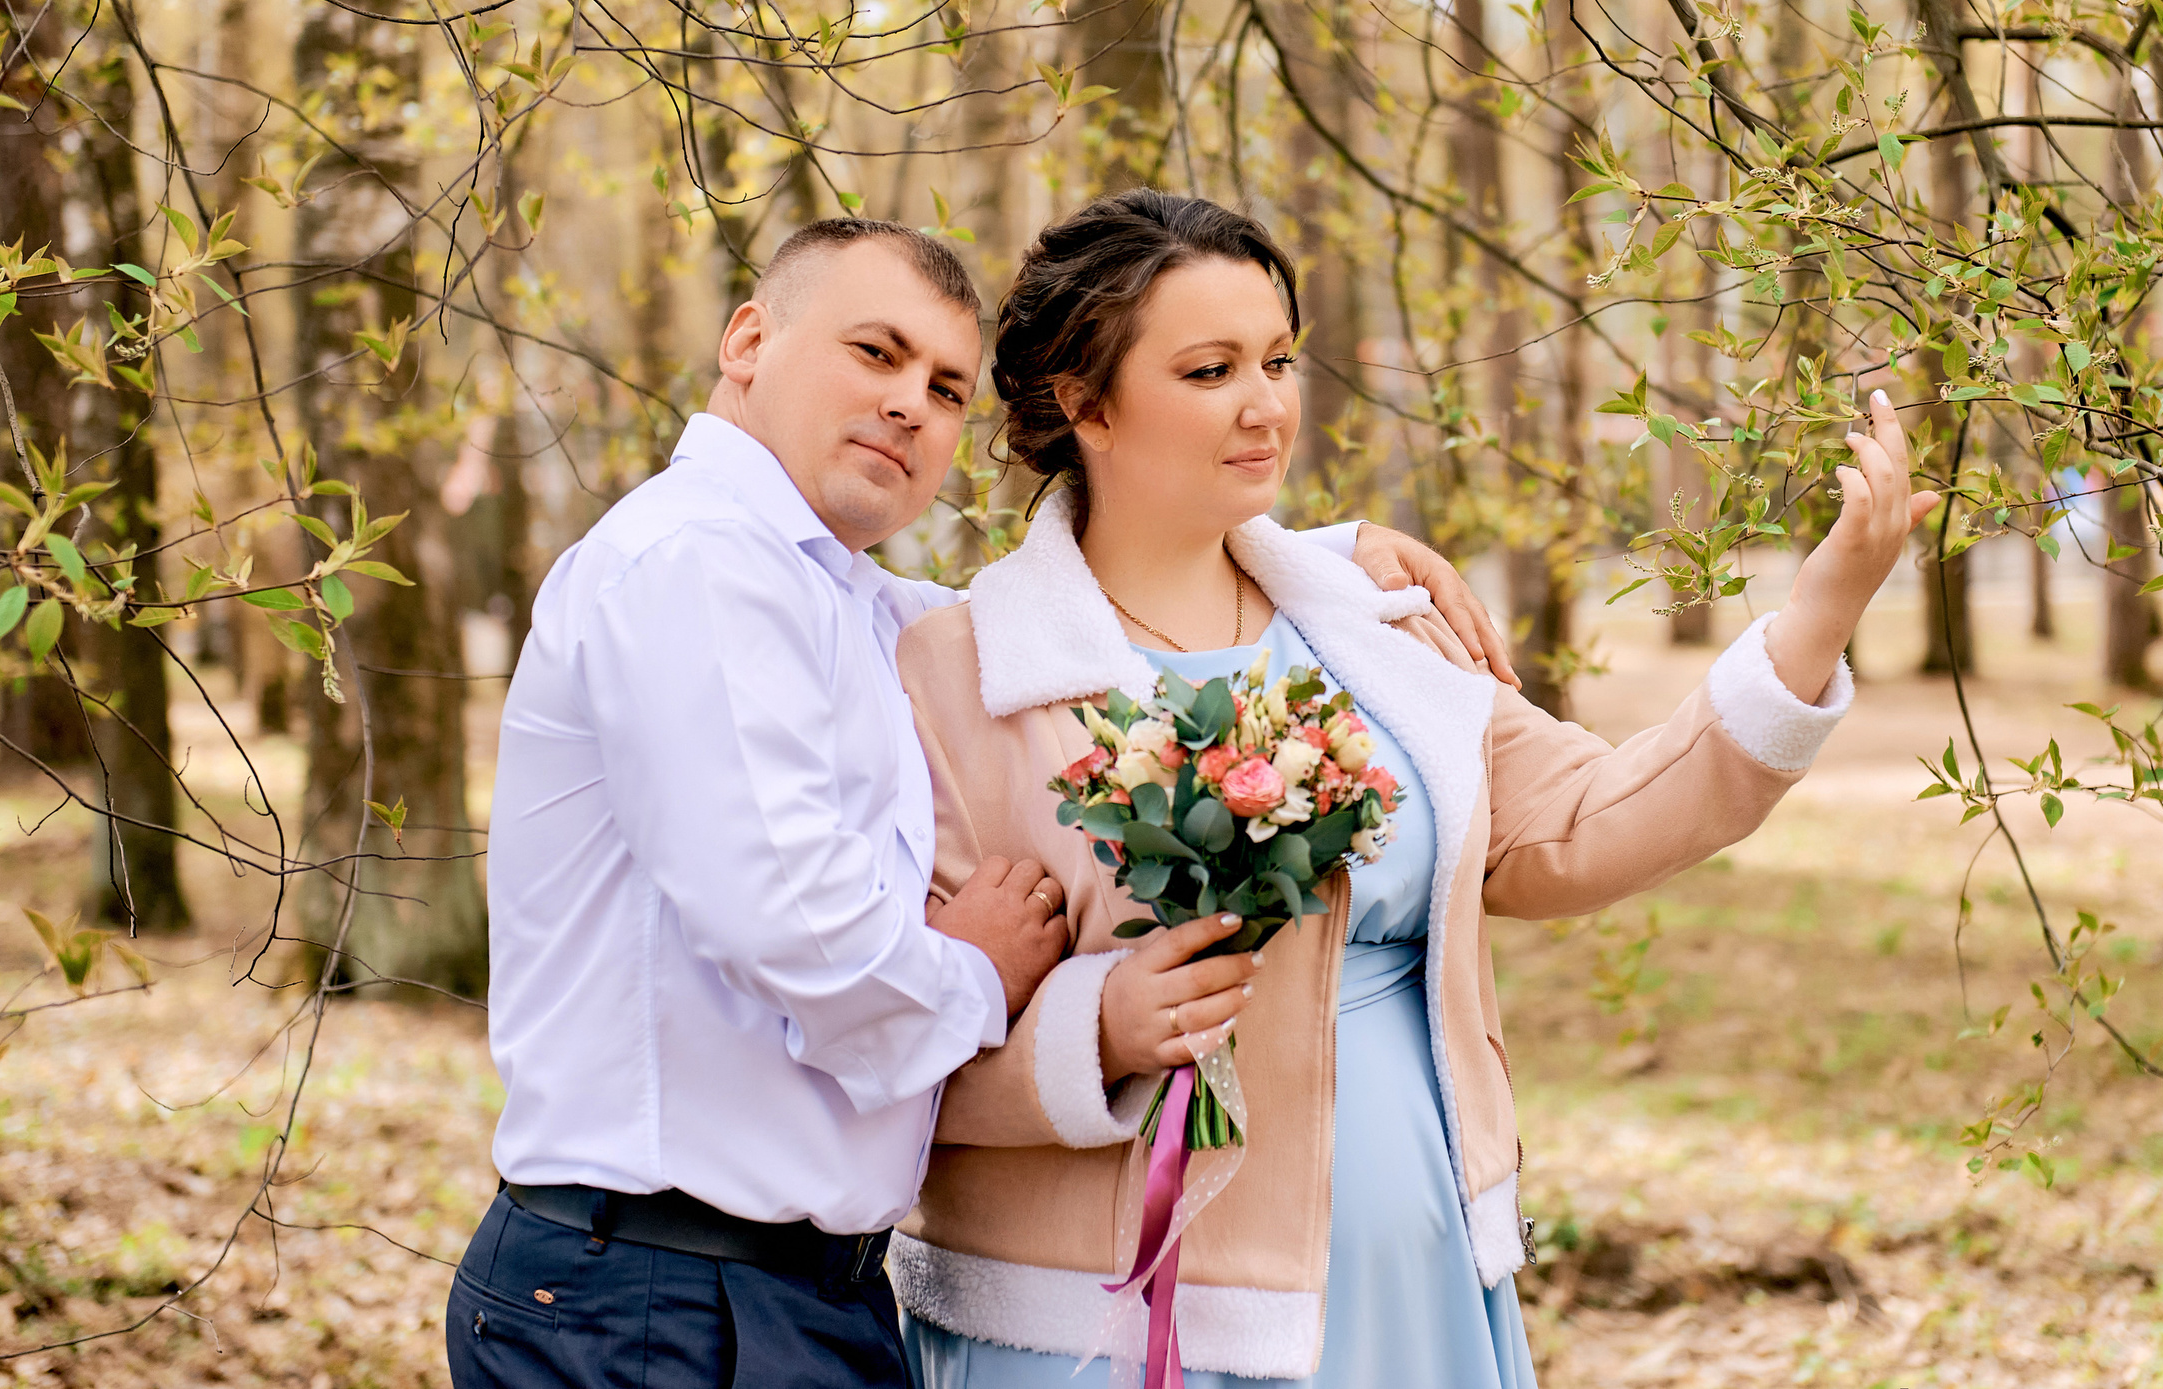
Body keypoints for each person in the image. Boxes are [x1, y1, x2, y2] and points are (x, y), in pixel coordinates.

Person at [888, 191, 1937, 1388]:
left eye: (1279, 359)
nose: (1264, 404)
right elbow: (884, 1057)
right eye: (1210, 369)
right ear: (1086, 403)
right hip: (1099, 1322)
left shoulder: (1378, 630)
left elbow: (1587, 818)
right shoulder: (956, 677)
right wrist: (1098, 1029)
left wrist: (1816, 614)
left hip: (1406, 1269)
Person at [450, 217, 1517, 1389]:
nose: (908, 402)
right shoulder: (696, 567)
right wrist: (980, 967)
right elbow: (806, 938)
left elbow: (1070, 611)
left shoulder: (847, 602)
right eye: (875, 352)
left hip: (776, 1289)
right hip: (662, 1294)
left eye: (945, 387)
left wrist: (1325, 555)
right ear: (748, 340)